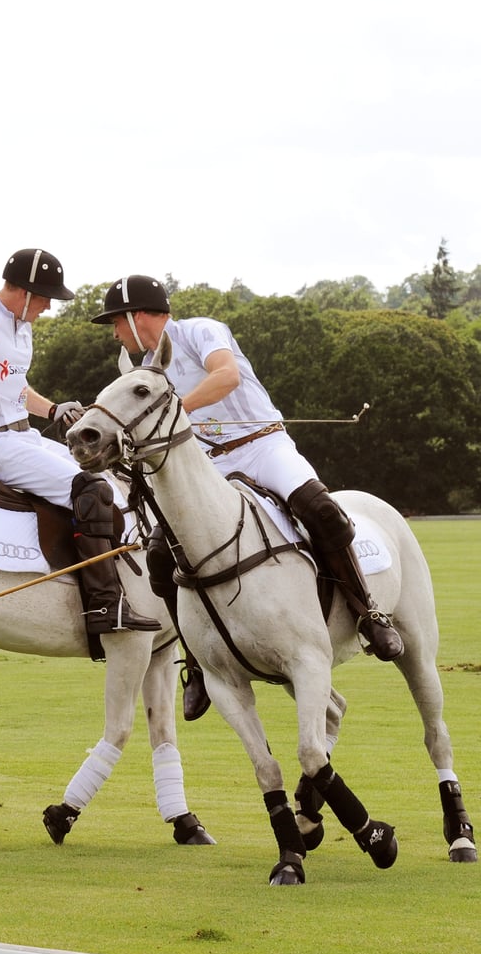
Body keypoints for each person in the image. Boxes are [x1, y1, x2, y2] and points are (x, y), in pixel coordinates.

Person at [91, 274, 404, 719]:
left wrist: (180, 408)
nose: (115, 334)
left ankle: (368, 613)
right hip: (210, 465)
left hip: (264, 446)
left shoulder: (200, 330)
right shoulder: (141, 368)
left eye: (116, 323)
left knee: (321, 510)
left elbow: (227, 375)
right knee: (161, 555)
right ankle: (197, 663)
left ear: (136, 315)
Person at [0, 249, 160, 637]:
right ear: (27, 292)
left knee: (107, 475)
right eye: (46, 297)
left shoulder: (22, 326)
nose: (49, 307)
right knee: (92, 489)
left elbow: (16, 389)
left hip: (23, 435)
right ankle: (104, 604)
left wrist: (52, 411)